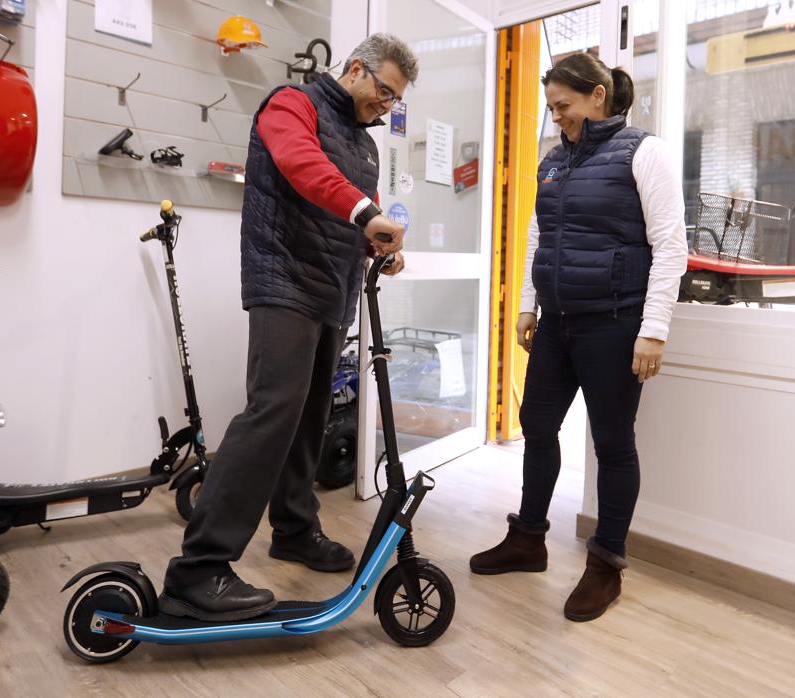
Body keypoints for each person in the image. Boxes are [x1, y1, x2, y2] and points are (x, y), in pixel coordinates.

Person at [160, 34, 420, 622]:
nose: (386, 107)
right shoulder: (290, 103)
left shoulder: (367, 147)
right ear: (355, 68)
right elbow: (304, 169)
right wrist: (366, 215)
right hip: (283, 280)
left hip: (333, 290)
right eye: (383, 92)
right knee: (272, 410)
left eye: (394, 102)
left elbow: (359, 216)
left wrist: (377, 248)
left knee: (310, 416)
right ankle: (197, 570)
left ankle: (295, 529)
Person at [469, 52, 687, 622]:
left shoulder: (646, 152)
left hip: (615, 323)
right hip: (557, 323)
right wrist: (525, 307)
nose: (557, 118)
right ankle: (528, 540)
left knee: (613, 443)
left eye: (563, 107)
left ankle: (604, 566)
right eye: (550, 109)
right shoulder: (554, 160)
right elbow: (540, 236)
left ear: (597, 96)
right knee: (536, 428)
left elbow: (670, 247)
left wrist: (654, 331)